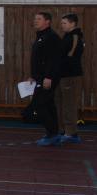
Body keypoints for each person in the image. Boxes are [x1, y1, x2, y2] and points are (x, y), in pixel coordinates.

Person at [28, 11, 64, 147]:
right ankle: (54, 133)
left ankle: (52, 134)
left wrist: (49, 77)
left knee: (40, 104)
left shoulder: (51, 37)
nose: (35, 21)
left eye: (39, 19)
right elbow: (38, 60)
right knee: (49, 105)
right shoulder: (41, 37)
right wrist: (33, 75)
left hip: (47, 78)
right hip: (40, 78)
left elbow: (54, 60)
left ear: (47, 21)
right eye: (35, 18)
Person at [55, 14, 84, 144]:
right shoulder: (66, 37)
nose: (62, 26)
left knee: (69, 105)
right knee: (60, 103)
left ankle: (71, 132)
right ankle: (62, 130)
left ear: (73, 24)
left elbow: (68, 57)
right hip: (61, 75)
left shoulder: (75, 37)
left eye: (64, 23)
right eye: (61, 23)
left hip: (70, 75)